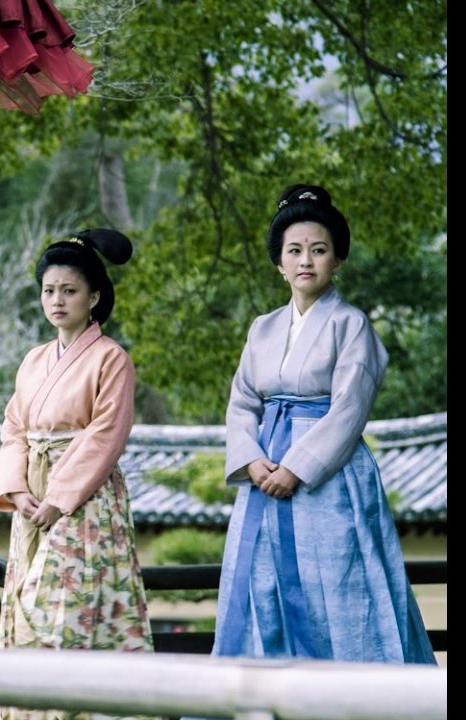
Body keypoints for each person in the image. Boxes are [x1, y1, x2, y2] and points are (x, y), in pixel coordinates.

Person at [212, 183, 435, 663]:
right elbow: (242, 402)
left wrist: (297, 467)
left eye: (318, 249)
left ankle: (355, 693)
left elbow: (350, 408)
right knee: (261, 578)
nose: (305, 261)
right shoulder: (262, 328)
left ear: (338, 260)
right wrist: (252, 461)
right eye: (294, 250)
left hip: (328, 477)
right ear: (279, 263)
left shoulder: (351, 324)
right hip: (264, 471)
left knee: (340, 580)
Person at [0, 229, 152, 720]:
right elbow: (14, 426)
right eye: (49, 290)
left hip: (84, 499)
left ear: (94, 297)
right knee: (25, 601)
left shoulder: (111, 358)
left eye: (69, 290)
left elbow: (106, 434)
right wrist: (17, 489)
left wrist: (58, 498)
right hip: (31, 496)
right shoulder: (33, 360)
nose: (57, 300)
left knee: (67, 604)